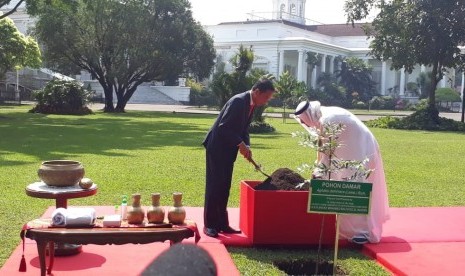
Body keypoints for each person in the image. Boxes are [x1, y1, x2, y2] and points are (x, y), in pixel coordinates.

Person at [294, 101, 390, 244]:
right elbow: (322, 149)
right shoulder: (323, 115)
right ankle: (346, 229)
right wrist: (318, 168)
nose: (305, 125)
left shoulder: (327, 119)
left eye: (304, 121)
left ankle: (361, 232)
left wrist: (318, 172)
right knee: (343, 183)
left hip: (361, 151)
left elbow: (326, 152)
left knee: (355, 186)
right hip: (352, 151)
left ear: (308, 116)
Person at [202, 78, 275, 238]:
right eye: (266, 97)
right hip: (217, 148)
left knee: (225, 185)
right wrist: (240, 143)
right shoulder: (238, 101)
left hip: (228, 150)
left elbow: (243, 129)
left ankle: (222, 223)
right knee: (215, 185)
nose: (266, 101)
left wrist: (246, 145)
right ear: (257, 92)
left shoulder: (251, 104)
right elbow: (223, 127)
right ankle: (210, 225)